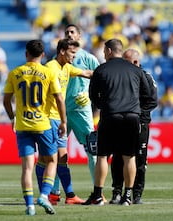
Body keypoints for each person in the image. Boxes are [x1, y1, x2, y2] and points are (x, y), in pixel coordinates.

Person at [82, 39, 154, 206]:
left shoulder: (101, 69)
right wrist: (135, 109)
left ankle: (98, 195)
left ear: (107, 51)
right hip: (131, 117)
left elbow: (93, 96)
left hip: (110, 115)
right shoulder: (135, 70)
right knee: (129, 157)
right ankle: (127, 196)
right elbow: (147, 95)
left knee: (102, 156)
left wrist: (104, 106)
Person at [3, 39, 66, 216]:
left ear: (26, 54)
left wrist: (12, 117)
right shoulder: (48, 73)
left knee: (27, 168)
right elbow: (60, 99)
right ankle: (45, 195)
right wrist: (63, 121)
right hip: (43, 124)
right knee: (52, 161)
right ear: (43, 55)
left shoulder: (15, 73)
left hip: (23, 125)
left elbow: (6, 100)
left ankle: (30, 205)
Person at [38, 38, 93, 205]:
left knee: (62, 157)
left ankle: (69, 195)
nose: (74, 57)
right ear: (62, 51)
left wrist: (109, 70)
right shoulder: (50, 68)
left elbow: (87, 73)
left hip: (58, 119)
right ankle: (45, 195)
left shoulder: (67, 67)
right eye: (72, 53)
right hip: (48, 119)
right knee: (45, 158)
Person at [109, 48, 158, 205]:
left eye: (126, 62)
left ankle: (136, 194)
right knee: (117, 157)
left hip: (139, 123)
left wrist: (137, 115)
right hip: (120, 122)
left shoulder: (146, 77)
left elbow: (152, 101)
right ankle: (117, 192)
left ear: (136, 62)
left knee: (140, 159)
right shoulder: (121, 77)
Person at [64, 24, 100, 188]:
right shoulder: (57, 59)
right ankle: (55, 192)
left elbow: (102, 80)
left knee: (92, 150)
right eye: (67, 32)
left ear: (79, 35)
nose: (69, 34)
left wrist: (89, 95)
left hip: (82, 111)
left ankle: (97, 191)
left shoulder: (88, 58)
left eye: (72, 32)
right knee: (57, 153)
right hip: (61, 111)